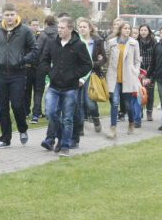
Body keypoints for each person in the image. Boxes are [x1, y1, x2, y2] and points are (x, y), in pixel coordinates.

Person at [39, 16, 92, 156]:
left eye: (62, 28)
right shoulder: (52, 43)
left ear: (70, 29)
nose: (59, 30)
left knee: (68, 118)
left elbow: (88, 64)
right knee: (50, 112)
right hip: (54, 86)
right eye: (58, 28)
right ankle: (61, 137)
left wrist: (75, 75)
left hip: (70, 88)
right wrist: (50, 73)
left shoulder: (79, 45)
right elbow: (44, 60)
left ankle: (65, 146)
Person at [0, 4, 38, 147]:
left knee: (17, 105)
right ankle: (5, 138)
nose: (9, 17)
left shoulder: (25, 31)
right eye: (7, 15)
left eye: (12, 14)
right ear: (2, 16)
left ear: (16, 15)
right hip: (1, 74)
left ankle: (22, 129)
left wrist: (23, 60)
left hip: (19, 74)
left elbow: (35, 50)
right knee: (3, 107)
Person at [73, 18, 106, 142]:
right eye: (80, 27)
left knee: (89, 102)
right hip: (78, 75)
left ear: (90, 28)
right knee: (78, 102)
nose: (81, 29)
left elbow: (104, 59)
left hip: (92, 75)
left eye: (84, 27)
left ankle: (96, 117)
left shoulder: (97, 42)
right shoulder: (75, 41)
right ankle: (80, 127)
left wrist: (94, 63)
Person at [105, 21, 141, 137]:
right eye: (125, 28)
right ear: (120, 30)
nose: (127, 30)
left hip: (128, 78)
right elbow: (107, 58)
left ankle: (131, 123)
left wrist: (135, 71)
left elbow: (137, 61)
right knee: (115, 103)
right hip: (114, 78)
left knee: (128, 104)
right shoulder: (111, 42)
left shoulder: (134, 43)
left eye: (129, 29)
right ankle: (113, 128)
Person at [30, 15, 57, 123]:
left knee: (38, 90)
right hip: (55, 65)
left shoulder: (43, 35)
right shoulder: (59, 34)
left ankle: (36, 115)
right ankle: (52, 113)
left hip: (41, 65)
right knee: (55, 89)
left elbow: (37, 50)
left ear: (45, 23)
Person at [136, 24, 157, 122]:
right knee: (139, 92)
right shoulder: (136, 42)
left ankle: (149, 112)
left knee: (150, 92)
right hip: (139, 70)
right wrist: (139, 71)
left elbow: (155, 58)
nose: (143, 32)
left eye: (145, 30)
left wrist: (148, 72)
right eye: (141, 30)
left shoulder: (154, 42)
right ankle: (139, 112)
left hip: (151, 70)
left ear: (149, 31)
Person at [23, 18, 41, 119]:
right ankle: (26, 111)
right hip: (27, 67)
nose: (35, 27)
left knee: (37, 91)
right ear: (30, 25)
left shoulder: (41, 36)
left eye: (37, 25)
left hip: (37, 67)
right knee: (27, 91)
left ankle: (37, 111)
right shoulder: (26, 36)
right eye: (33, 24)